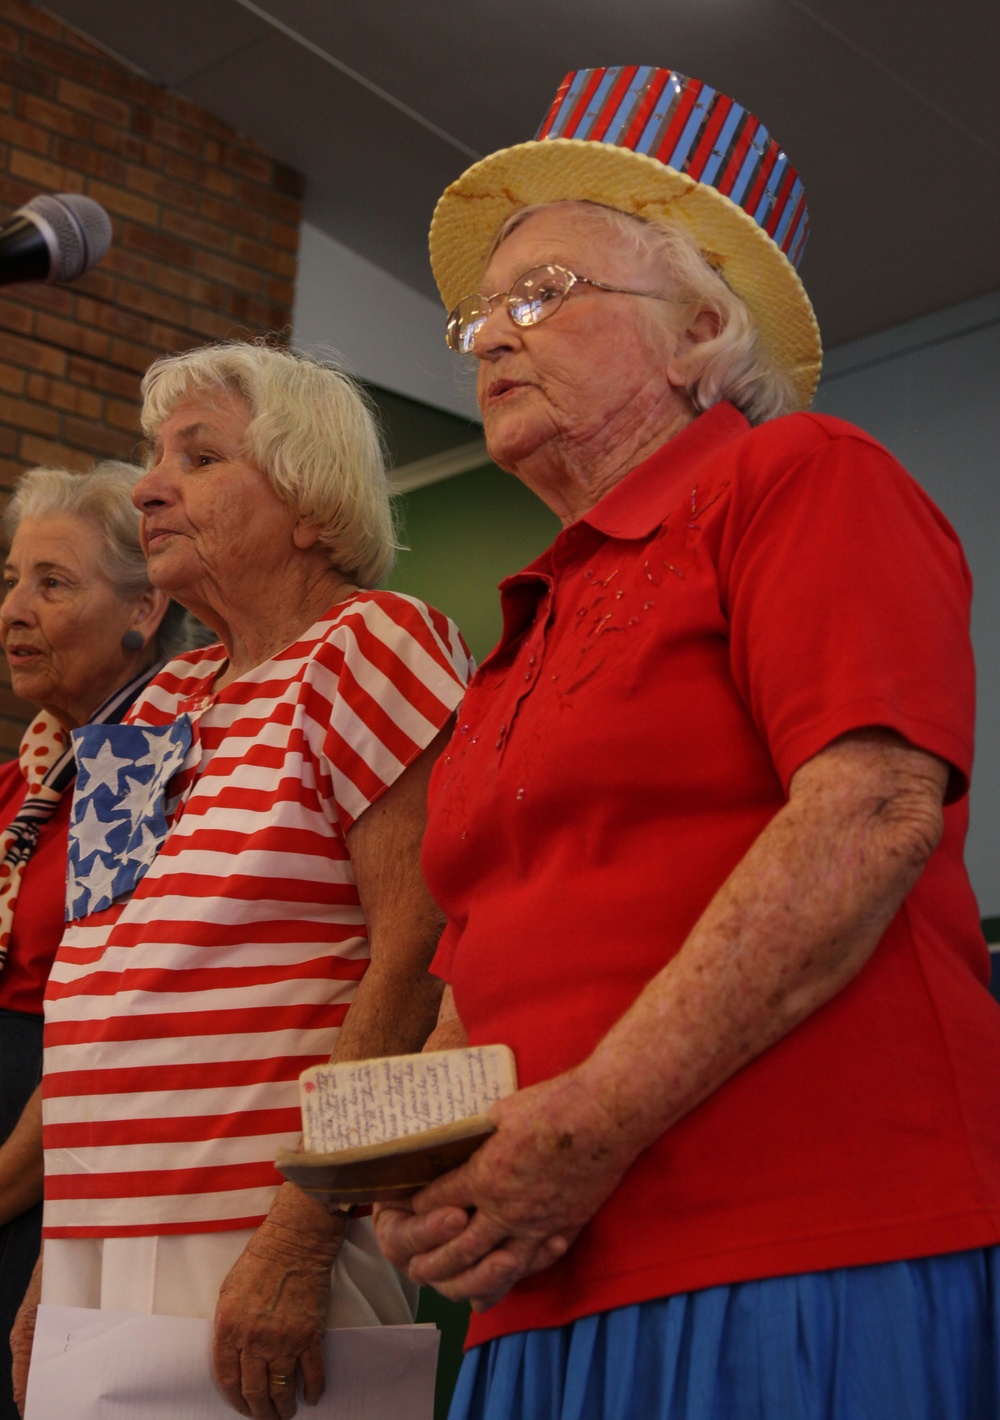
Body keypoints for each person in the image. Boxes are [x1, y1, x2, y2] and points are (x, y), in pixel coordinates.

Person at [373, 65, 1000, 1420]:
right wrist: (425, 1164)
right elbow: (490, 949)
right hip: (544, 1283)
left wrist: (585, 1125)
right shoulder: (529, 622)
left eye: (540, 294)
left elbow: (871, 811)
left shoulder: (799, 476)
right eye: (480, 311)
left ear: (700, 326)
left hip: (793, 1241)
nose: (487, 335)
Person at [12, 343, 473, 1420]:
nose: (150, 485)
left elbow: (423, 952)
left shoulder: (372, 644)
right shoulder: (156, 704)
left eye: (200, 455)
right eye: (152, 455)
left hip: (262, 1227)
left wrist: (304, 1233)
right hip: (98, 1242)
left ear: (310, 504)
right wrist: (60, 1255)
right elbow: (103, 998)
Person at [0, 460, 187, 1420]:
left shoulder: (137, 773)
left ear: (144, 610)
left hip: (55, 1195)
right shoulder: (18, 782)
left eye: (52, 582)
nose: (15, 609)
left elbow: (104, 1023)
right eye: (11, 579)